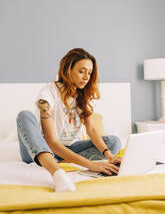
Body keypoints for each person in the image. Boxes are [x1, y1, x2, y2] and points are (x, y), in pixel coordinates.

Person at [16, 48, 121, 193]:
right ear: (67, 69)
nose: (86, 77)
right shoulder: (47, 94)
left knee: (114, 142)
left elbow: (91, 130)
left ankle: (64, 160)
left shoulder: (83, 96)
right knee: (24, 115)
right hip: (39, 150)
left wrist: (109, 155)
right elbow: (52, 142)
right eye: (81, 71)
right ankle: (57, 172)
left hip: (69, 149)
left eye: (89, 73)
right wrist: (90, 165)